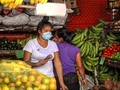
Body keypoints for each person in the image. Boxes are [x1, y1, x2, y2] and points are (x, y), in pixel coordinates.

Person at [23, 18, 68, 90]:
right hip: (35, 79)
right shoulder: (31, 43)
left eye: (50, 31)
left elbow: (58, 64)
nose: (49, 33)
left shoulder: (53, 44)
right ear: (39, 31)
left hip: (50, 78)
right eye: (46, 31)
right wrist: (37, 64)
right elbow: (25, 62)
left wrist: (61, 83)